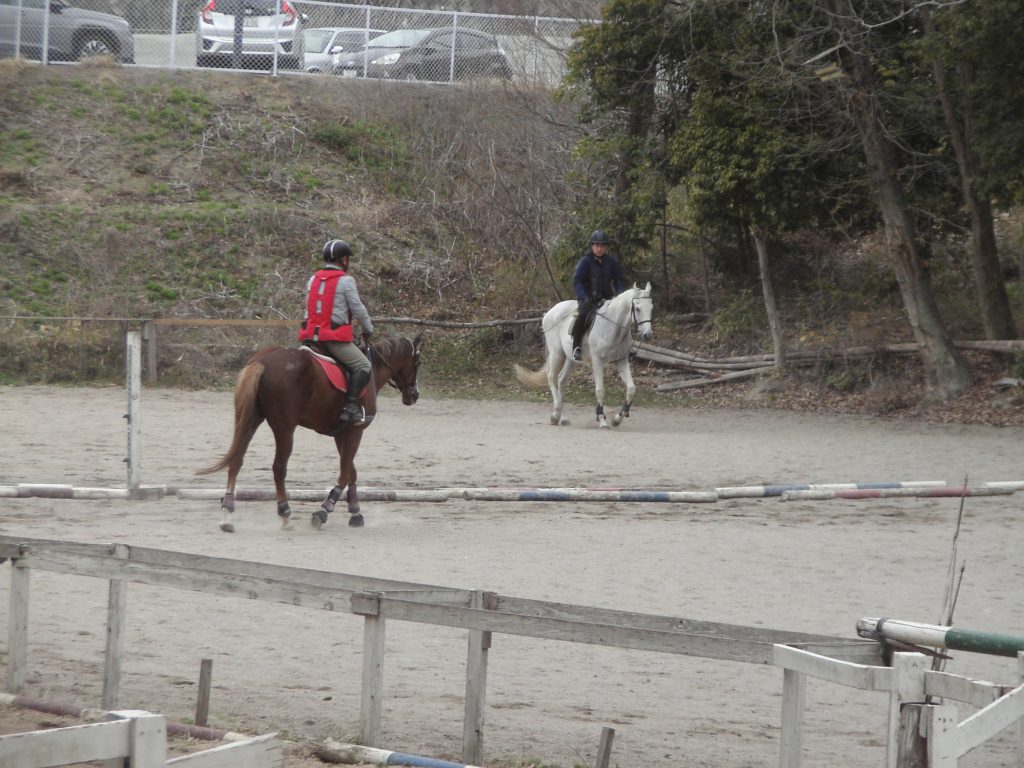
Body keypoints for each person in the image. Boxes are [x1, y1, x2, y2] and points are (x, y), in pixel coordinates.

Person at [298, 239, 375, 424]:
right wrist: (368, 328)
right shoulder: (346, 281)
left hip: (310, 338)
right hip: (332, 339)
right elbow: (358, 308)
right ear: (344, 260)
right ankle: (352, 406)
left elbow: (308, 308)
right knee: (364, 366)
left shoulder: (313, 279)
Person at [570, 229, 626, 361]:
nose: (599, 249)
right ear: (592, 246)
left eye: (602, 246)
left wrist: (620, 294)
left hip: (607, 299)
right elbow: (577, 281)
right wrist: (584, 297)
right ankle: (576, 346)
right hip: (588, 299)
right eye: (597, 245)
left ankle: (626, 346)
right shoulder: (585, 261)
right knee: (582, 315)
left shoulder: (611, 262)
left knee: (624, 315)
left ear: (605, 247)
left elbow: (619, 279)